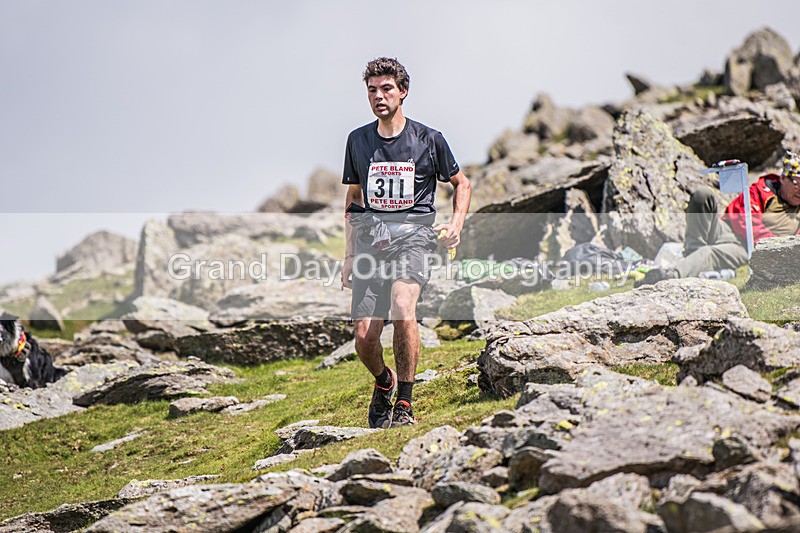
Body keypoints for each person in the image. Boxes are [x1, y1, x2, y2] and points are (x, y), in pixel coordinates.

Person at [340, 57, 471, 428]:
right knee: (364, 339)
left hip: (414, 240)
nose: (378, 97)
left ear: (403, 92)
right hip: (370, 246)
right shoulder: (358, 141)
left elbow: (462, 183)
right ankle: (385, 383)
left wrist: (456, 223)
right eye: (371, 91)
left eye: (386, 89)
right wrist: (349, 255)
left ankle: (406, 403)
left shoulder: (429, 139)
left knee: (402, 306)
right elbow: (353, 198)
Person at [639, 150, 800, 285]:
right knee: (703, 195)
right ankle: (693, 253)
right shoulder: (761, 190)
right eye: (796, 182)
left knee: (710, 253)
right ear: (783, 178)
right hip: (725, 229)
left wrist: (772, 245)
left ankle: (669, 277)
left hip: (746, 248)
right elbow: (741, 217)